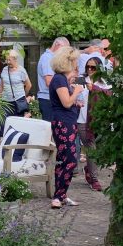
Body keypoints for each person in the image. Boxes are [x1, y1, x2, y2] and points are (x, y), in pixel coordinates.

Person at [48, 45, 83, 209]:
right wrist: (76, 91)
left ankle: (61, 195)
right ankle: (58, 196)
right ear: (68, 61)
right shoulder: (59, 79)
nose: (76, 64)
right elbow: (66, 103)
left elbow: (67, 103)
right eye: (74, 60)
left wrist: (76, 102)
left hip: (67, 121)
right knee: (69, 160)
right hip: (63, 123)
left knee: (65, 159)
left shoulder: (62, 79)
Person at [77, 57, 103, 191]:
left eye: (93, 67)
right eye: (88, 67)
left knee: (98, 148)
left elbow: (109, 95)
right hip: (82, 120)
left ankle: (89, 168)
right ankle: (94, 179)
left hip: (99, 120)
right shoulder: (80, 80)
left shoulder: (104, 83)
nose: (90, 70)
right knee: (90, 147)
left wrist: (95, 88)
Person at [36, 36, 69, 121]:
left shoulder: (51, 58)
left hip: (49, 98)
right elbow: (49, 81)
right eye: (64, 49)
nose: (64, 53)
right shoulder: (48, 58)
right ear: (57, 45)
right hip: (48, 99)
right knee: (50, 127)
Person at [0, 48, 32, 130]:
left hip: (18, 101)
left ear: (15, 59)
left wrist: (23, 96)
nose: (8, 62)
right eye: (7, 60)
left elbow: (29, 85)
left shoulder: (21, 71)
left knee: (18, 123)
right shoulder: (4, 70)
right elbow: (1, 85)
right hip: (6, 101)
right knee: (5, 123)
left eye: (9, 60)